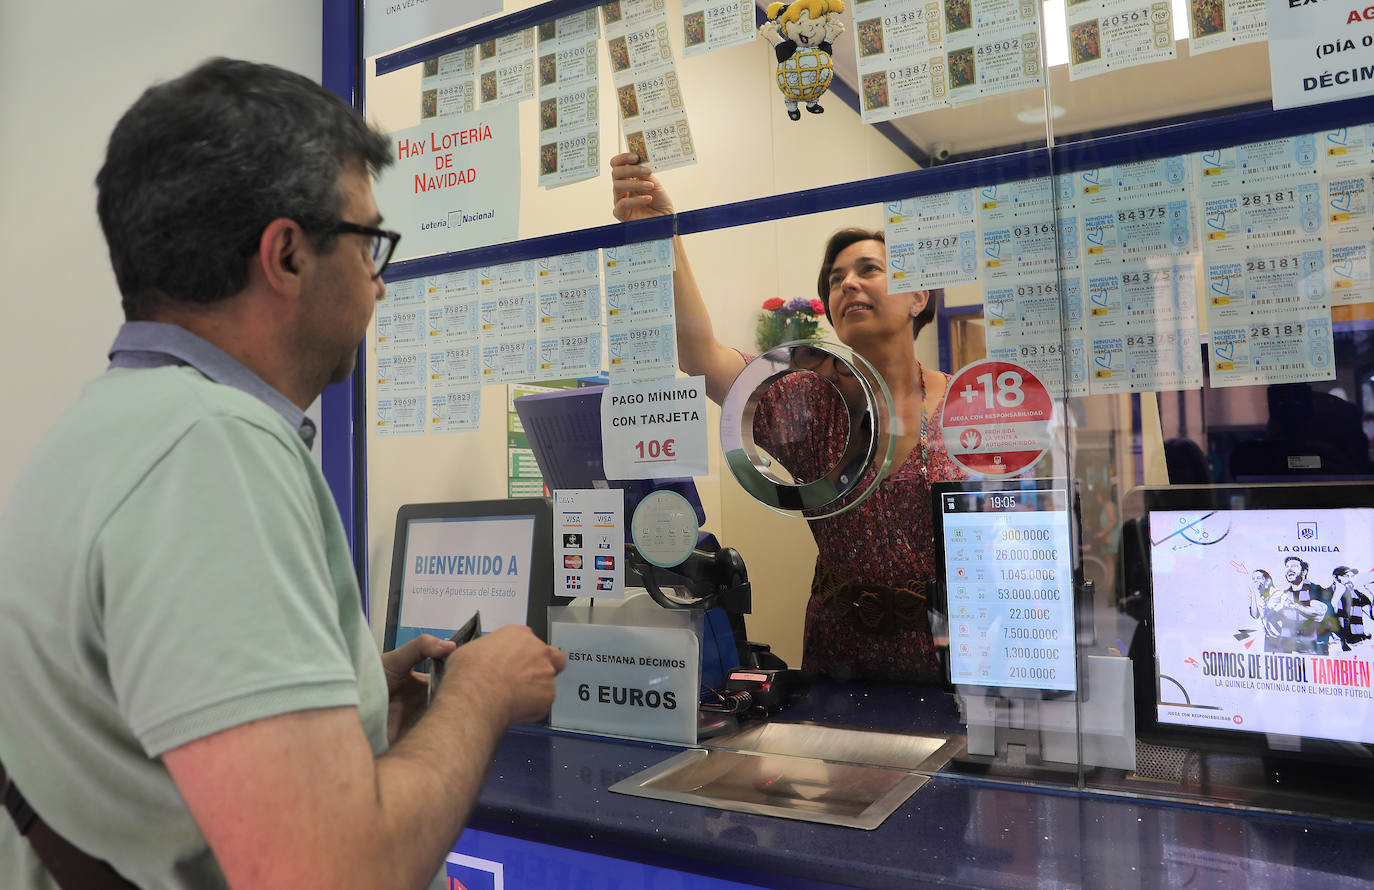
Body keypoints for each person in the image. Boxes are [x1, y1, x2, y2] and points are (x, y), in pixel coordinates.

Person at [0, 58, 566, 890]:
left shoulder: (109, 430)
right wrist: (475, 697)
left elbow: (145, 727)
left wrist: (348, 697)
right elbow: (330, 873)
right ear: (288, 255)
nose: (379, 283)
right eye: (370, 242)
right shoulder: (212, 451)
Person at [611, 152, 965, 682]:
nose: (847, 284)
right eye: (835, 278)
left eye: (869, 270)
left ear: (920, 295)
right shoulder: (809, 402)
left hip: (952, 655)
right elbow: (700, 355)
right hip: (838, 658)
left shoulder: (969, 406)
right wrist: (666, 234)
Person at [1331, 566, 1373, 651]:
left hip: (1357, 643)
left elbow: (1372, 615)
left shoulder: (1357, 595)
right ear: (1336, 578)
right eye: (1346, 576)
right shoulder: (1327, 592)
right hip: (1335, 645)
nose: (1350, 579)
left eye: (1352, 576)